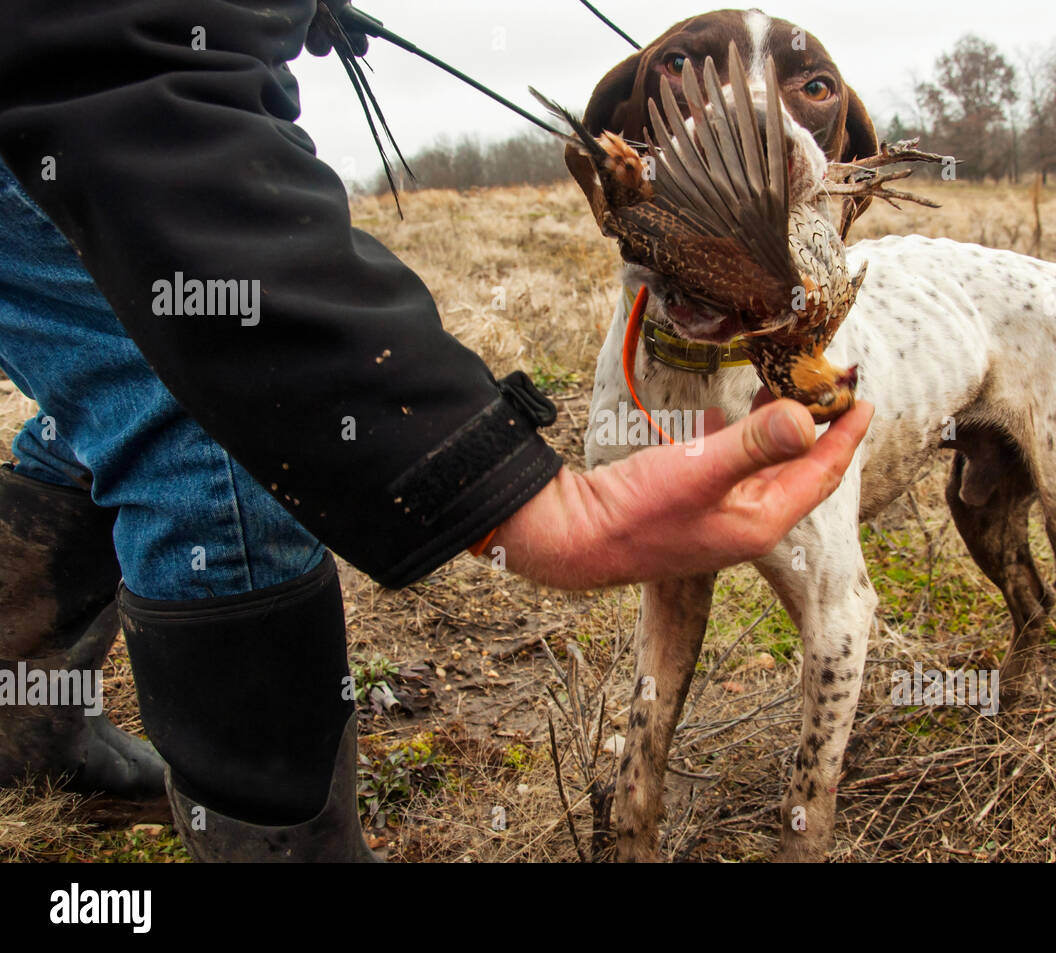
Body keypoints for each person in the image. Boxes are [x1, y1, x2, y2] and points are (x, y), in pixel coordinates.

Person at [0, 0, 872, 861]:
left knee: (121, 377)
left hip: (65, 95)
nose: (748, 117)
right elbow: (129, 75)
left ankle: (25, 723)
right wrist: (499, 483)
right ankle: (286, 848)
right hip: (61, 102)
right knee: (205, 423)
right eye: (685, 70)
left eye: (809, 89)